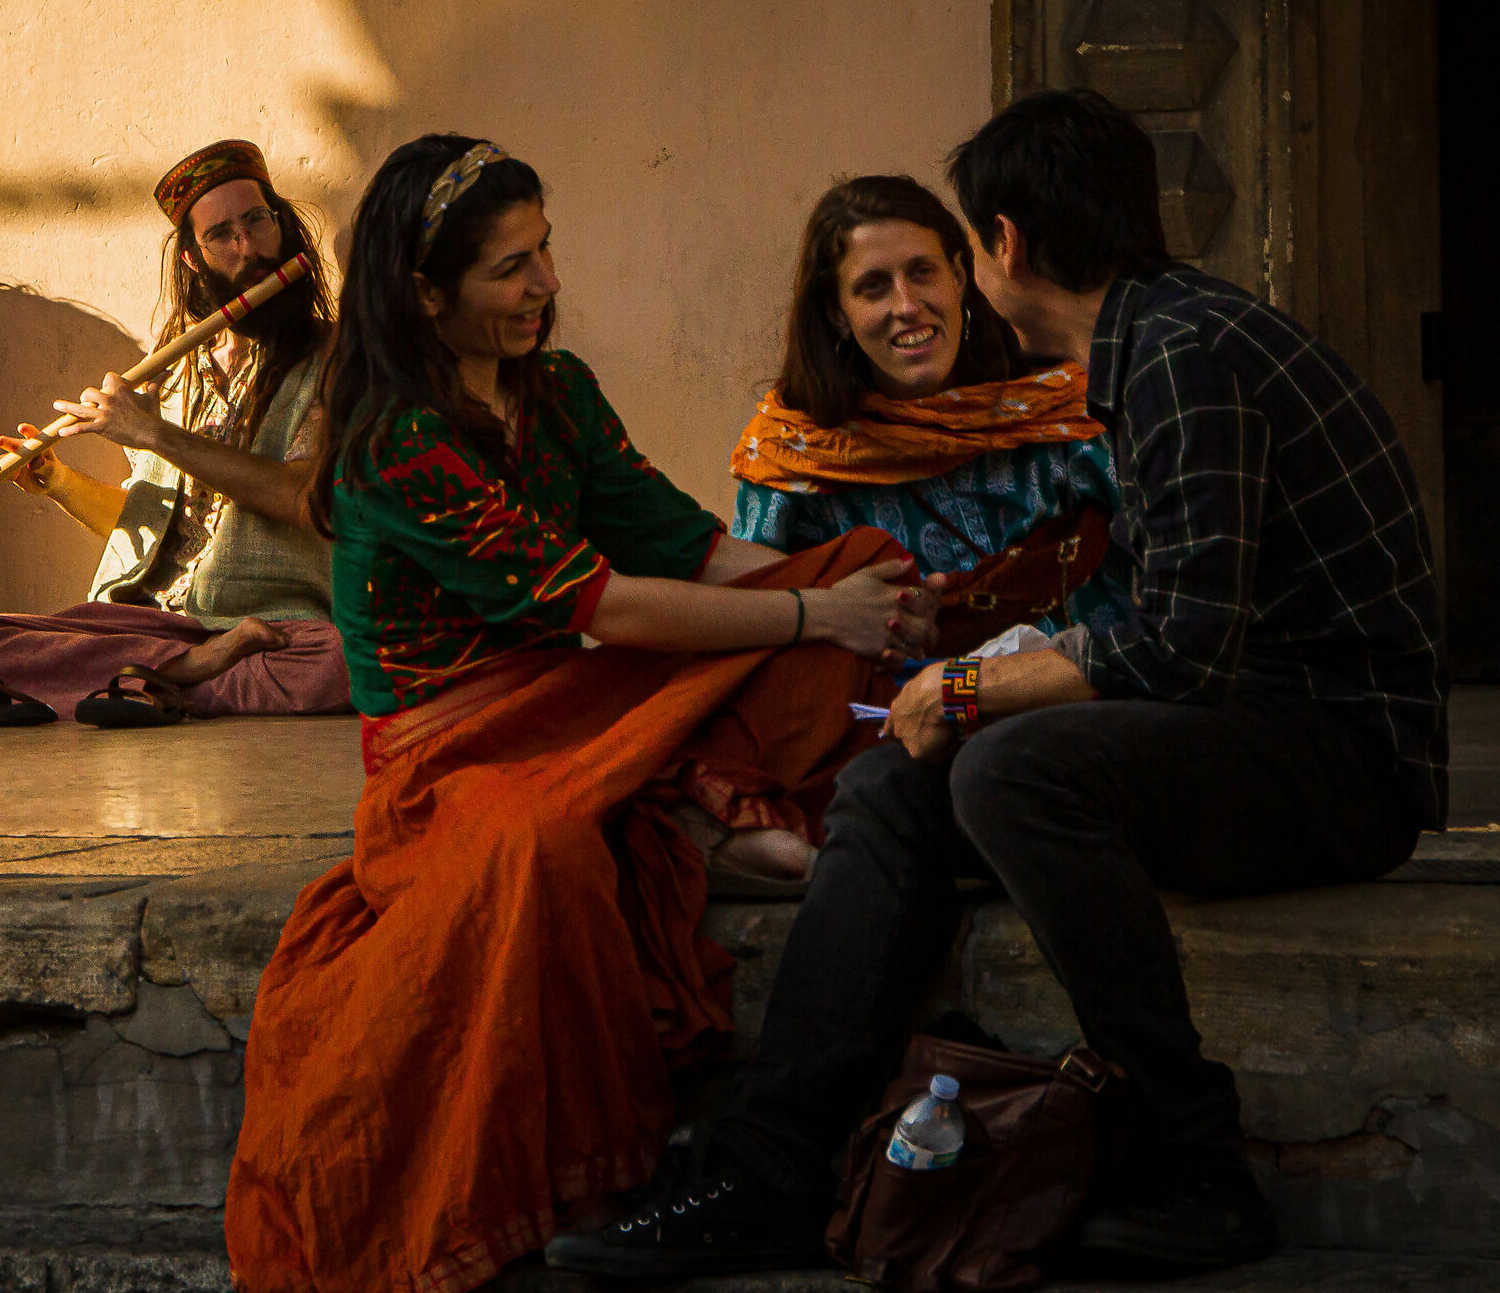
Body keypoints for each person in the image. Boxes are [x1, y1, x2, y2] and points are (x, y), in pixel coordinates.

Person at [549, 90, 1447, 1280]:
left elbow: (1181, 647)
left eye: (955, 253)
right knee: (893, 782)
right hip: (1246, 724)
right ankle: (770, 1167)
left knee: (1014, 764)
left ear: (1004, 246)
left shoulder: (1184, 358)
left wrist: (974, 692)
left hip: (1341, 758)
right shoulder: (1157, 340)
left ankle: (1199, 1159)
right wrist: (960, 700)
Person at [223, 135, 939, 1293]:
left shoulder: (559, 392)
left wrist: (873, 600)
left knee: (861, 564)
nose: (547, 285)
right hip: (453, 750)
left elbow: (693, 547)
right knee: (537, 844)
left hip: (587, 696)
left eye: (544, 251)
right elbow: (597, 603)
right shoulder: (391, 445)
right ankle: (697, 818)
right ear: (424, 293)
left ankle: (696, 805)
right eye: (512, 269)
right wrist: (814, 617)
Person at [0, 139, 348, 722]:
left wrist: (155, 434)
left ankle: (115, 686)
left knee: (338, 660)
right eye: (221, 236)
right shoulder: (178, 369)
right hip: (146, 622)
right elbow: (146, 522)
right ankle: (177, 676)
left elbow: (305, 497)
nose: (247, 248)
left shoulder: (332, 358)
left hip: (262, 624)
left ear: (281, 226)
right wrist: (57, 481)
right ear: (194, 258)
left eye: (257, 221)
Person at [731, 174, 1132, 648]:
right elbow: (762, 619)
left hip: (1082, 701)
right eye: (873, 287)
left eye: (922, 272)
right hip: (879, 715)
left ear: (960, 278)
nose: (907, 306)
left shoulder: (1063, 417)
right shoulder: (793, 459)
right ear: (837, 313)